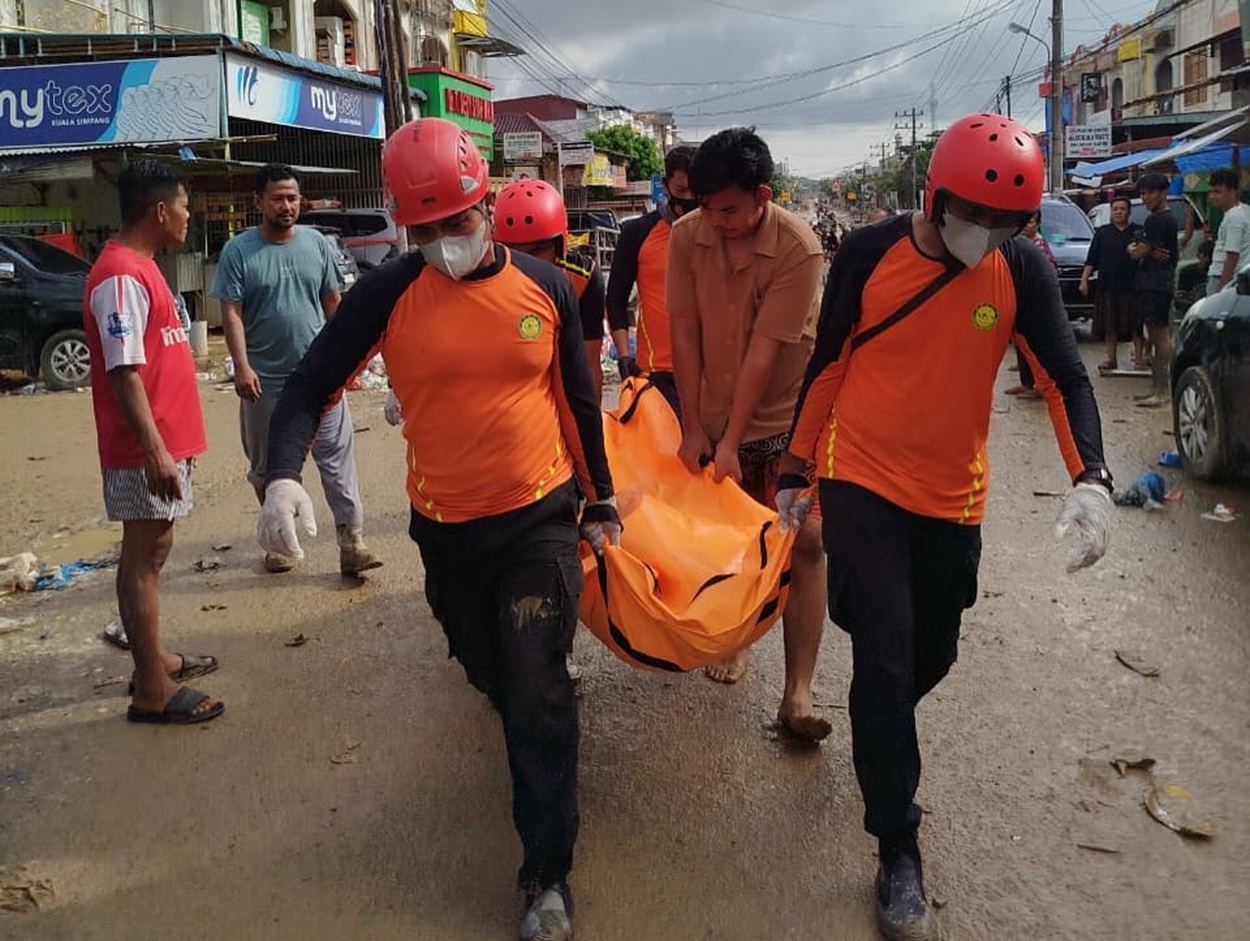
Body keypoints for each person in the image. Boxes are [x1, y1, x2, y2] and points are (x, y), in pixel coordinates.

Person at [256, 117, 620, 941]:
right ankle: (529, 734)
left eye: (454, 224)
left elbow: (577, 401)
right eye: (422, 230)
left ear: (484, 204)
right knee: (487, 666)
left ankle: (547, 876)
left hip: (537, 516)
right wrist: (282, 475)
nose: (442, 242)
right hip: (447, 528)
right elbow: (311, 384)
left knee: (535, 686)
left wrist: (599, 502)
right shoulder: (389, 291)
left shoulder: (546, 286)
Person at [780, 114, 1111, 940]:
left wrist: (1093, 480)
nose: (987, 234)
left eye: (1008, 222)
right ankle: (898, 845)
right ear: (934, 197)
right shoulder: (867, 254)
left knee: (932, 654)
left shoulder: (1019, 267)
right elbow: (829, 363)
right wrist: (797, 467)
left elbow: (1063, 373)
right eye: (975, 216)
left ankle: (878, 721)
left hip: (953, 500)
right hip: (862, 483)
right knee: (887, 659)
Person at [667, 126, 831, 743]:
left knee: (807, 543)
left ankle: (798, 693)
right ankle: (734, 641)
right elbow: (683, 333)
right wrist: (693, 427)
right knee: (730, 545)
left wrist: (735, 443)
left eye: (728, 208)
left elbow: (765, 351)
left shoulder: (799, 248)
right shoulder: (688, 238)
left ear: (763, 195)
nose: (715, 220)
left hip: (786, 425)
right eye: (704, 206)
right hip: (709, 415)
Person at [84, 159, 223, 724]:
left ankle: (155, 659)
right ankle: (151, 689)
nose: (190, 217)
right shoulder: (120, 275)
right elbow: (123, 371)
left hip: (163, 444)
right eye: (186, 207)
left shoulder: (142, 268)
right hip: (144, 449)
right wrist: (155, 450)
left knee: (155, 549)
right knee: (143, 556)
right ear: (160, 211)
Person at [210, 164, 381, 575]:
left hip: (320, 378)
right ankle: (277, 542)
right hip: (265, 384)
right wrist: (241, 366)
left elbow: (333, 304)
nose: (287, 206)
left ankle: (351, 542)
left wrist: (347, 362)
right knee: (268, 470)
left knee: (338, 465)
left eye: (292, 198)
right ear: (258, 202)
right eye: (277, 198)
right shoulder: (238, 251)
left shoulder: (317, 244)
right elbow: (231, 313)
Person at [494, 177, 609, 401]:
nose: (527, 263)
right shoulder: (484, 279)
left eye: (537, 250)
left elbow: (589, 367)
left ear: (561, 246)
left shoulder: (583, 278)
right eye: (514, 251)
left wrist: (593, 429)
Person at [605, 144, 698, 410]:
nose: (689, 198)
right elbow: (615, 299)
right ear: (666, 186)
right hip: (656, 373)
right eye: (681, 191)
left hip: (710, 372)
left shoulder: (717, 233)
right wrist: (625, 358)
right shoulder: (637, 232)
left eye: (696, 191)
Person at [1129, 173, 1179, 408]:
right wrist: (1144, 249)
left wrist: (1136, 249)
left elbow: (1138, 252)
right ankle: (1157, 388)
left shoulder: (1158, 220)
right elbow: (1146, 249)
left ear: (1162, 192)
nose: (1145, 197)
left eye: (1149, 192)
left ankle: (1163, 390)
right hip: (1156, 282)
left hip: (1157, 284)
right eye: (1142, 193)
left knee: (1160, 335)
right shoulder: (1161, 220)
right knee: (1156, 332)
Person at [1080, 196, 1144, 372]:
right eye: (1115, 209)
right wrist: (1084, 280)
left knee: (1136, 325)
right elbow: (1091, 259)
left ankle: (1139, 359)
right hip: (1108, 286)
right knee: (1110, 325)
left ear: (1129, 212)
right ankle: (1111, 359)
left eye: (1122, 209)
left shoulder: (1138, 232)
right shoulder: (1102, 232)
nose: (1118, 212)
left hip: (1134, 286)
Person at [1005, 210, 1054, 399]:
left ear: (1038, 225)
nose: (1027, 225)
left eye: (1031, 222)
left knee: (1034, 348)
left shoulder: (1039, 247)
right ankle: (1027, 383)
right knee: (1022, 346)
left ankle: (1042, 386)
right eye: (1024, 222)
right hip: (1019, 302)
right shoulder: (1017, 244)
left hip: (1033, 304)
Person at [1206, 168, 1249, 295]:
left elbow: (1232, 256)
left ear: (1232, 192)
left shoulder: (1234, 217)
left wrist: (1221, 290)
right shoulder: (1243, 210)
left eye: (1218, 192)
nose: (1212, 196)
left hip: (1223, 277)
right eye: (1211, 192)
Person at [1175, 239, 1214, 315]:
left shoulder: (1214, 274)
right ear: (1198, 255)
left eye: (1209, 256)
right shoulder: (1187, 272)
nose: (1206, 260)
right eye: (1204, 255)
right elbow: (1180, 294)